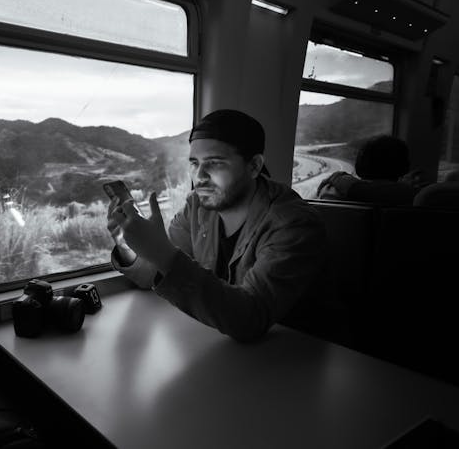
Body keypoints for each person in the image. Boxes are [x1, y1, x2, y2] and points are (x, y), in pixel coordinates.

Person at [107, 109, 326, 342]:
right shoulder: (198, 206)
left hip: (291, 356)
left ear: (253, 166)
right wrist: (126, 243)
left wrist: (161, 252)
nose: (199, 176)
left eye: (215, 163)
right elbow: (154, 273)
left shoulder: (293, 224)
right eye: (194, 163)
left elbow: (250, 318)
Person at [315, 135, 420, 205]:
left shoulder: (329, 193)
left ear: (360, 163)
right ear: (405, 166)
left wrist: (337, 176)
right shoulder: (416, 198)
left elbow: (357, 189)